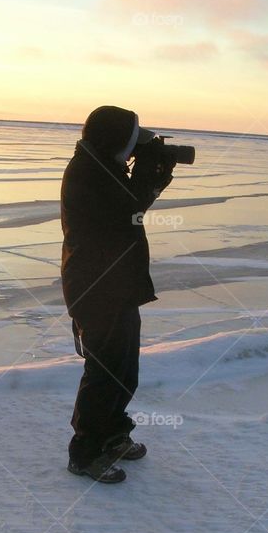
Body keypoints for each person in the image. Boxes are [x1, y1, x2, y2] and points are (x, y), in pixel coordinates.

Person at [60, 105, 176, 483]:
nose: (133, 151)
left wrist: (149, 173)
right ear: (114, 140)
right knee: (104, 372)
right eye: (131, 142)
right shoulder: (89, 174)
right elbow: (128, 210)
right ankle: (85, 453)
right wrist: (151, 175)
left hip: (117, 285)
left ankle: (112, 434)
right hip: (96, 288)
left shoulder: (101, 166)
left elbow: (129, 208)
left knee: (124, 371)